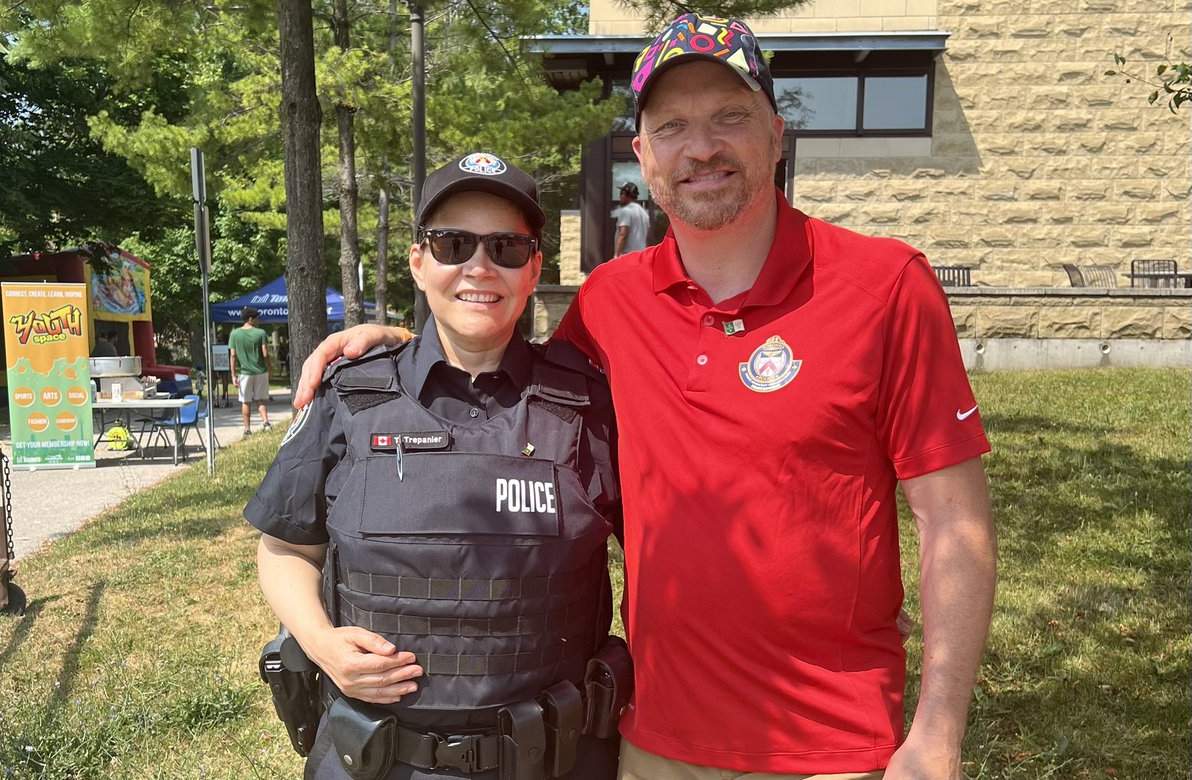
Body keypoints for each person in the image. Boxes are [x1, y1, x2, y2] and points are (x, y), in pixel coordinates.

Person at [296, 12, 997, 780]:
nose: (701, 147)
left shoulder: (885, 286)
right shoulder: (611, 300)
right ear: (644, 155)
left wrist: (936, 734)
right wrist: (405, 346)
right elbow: (500, 386)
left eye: (729, 117)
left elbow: (954, 523)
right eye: (672, 127)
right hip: (654, 737)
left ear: (775, 131)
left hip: (831, 742)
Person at [246, 152, 625, 780]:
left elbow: (659, 554)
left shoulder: (588, 405)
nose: (480, 266)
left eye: (506, 247)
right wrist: (321, 644)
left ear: (533, 269)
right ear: (420, 262)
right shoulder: (352, 396)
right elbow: (285, 547)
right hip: (375, 760)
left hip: (554, 760)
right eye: (454, 244)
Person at [228, 306, 273, 435]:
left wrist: (233, 375)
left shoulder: (234, 334)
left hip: (245, 373)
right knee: (260, 399)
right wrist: (270, 369)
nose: (259, 321)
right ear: (250, 319)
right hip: (261, 371)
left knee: (245, 401)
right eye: (257, 318)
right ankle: (266, 422)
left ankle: (247, 429)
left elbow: (232, 355)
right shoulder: (261, 333)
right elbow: (265, 353)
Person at [613, 182, 650, 257]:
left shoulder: (626, 211)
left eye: (621, 193)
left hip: (627, 256)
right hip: (641, 256)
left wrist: (616, 255)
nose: (620, 196)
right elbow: (646, 236)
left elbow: (623, 234)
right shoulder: (644, 213)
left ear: (628, 195)